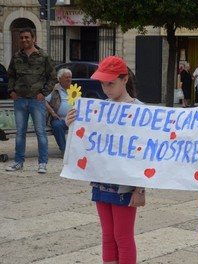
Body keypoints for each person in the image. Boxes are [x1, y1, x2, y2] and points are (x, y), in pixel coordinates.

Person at [65, 56, 145, 264]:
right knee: (108, 236)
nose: (106, 88)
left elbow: (146, 154)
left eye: (111, 83)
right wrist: (71, 125)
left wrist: (140, 189)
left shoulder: (140, 110)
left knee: (123, 236)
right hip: (101, 181)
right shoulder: (98, 109)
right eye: (102, 83)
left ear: (124, 79)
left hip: (125, 185)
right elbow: (86, 142)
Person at [6, 27, 56, 173]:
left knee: (40, 132)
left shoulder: (43, 56)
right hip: (20, 100)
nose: (24, 40)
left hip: (36, 100)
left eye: (27, 37)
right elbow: (11, 75)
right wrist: (12, 91)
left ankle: (42, 163)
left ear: (33, 39)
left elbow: (52, 77)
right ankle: (18, 162)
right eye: (21, 37)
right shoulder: (16, 57)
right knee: (20, 132)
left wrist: (44, 93)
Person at [45, 68, 72, 156]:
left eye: (70, 77)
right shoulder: (54, 89)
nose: (69, 79)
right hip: (59, 118)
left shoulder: (74, 89)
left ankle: (79, 150)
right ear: (60, 79)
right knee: (57, 125)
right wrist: (52, 113)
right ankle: (64, 150)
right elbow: (44, 101)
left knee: (84, 125)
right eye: (66, 77)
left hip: (72, 118)